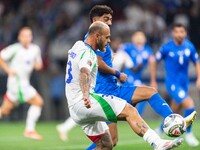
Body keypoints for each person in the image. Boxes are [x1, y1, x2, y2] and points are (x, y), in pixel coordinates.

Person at [57, 5, 197, 147]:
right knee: (130, 110)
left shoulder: (79, 45)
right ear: (95, 22)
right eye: (106, 19)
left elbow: (82, 59)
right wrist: (116, 73)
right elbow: (88, 68)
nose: (110, 23)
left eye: (111, 19)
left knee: (108, 143)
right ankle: (158, 142)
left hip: (102, 93)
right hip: (99, 93)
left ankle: (172, 119)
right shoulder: (91, 45)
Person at [151, 23, 200, 147]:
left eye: (182, 31)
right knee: (189, 105)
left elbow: (197, 62)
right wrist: (153, 80)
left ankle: (160, 130)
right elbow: (154, 61)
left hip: (184, 83)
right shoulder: (166, 47)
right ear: (173, 33)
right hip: (172, 83)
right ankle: (188, 134)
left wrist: (199, 78)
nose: (179, 34)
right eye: (177, 31)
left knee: (174, 110)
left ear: (185, 33)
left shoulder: (189, 46)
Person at [0, 27, 44, 140]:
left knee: (4, 111)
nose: (26, 38)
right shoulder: (14, 49)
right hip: (17, 83)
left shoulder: (35, 49)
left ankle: (29, 130)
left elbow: (38, 65)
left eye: (29, 36)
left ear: (31, 37)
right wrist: (8, 70)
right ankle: (29, 130)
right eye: (24, 36)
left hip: (23, 83)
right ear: (19, 37)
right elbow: (1, 57)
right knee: (38, 102)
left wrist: (37, 66)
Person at [119, 31, 155, 116]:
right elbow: (119, 54)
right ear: (133, 38)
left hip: (137, 77)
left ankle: (135, 115)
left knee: (143, 95)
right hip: (128, 75)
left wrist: (153, 80)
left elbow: (152, 62)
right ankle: (135, 116)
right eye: (137, 36)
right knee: (144, 93)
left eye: (141, 36)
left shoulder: (147, 50)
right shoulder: (128, 47)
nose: (139, 38)